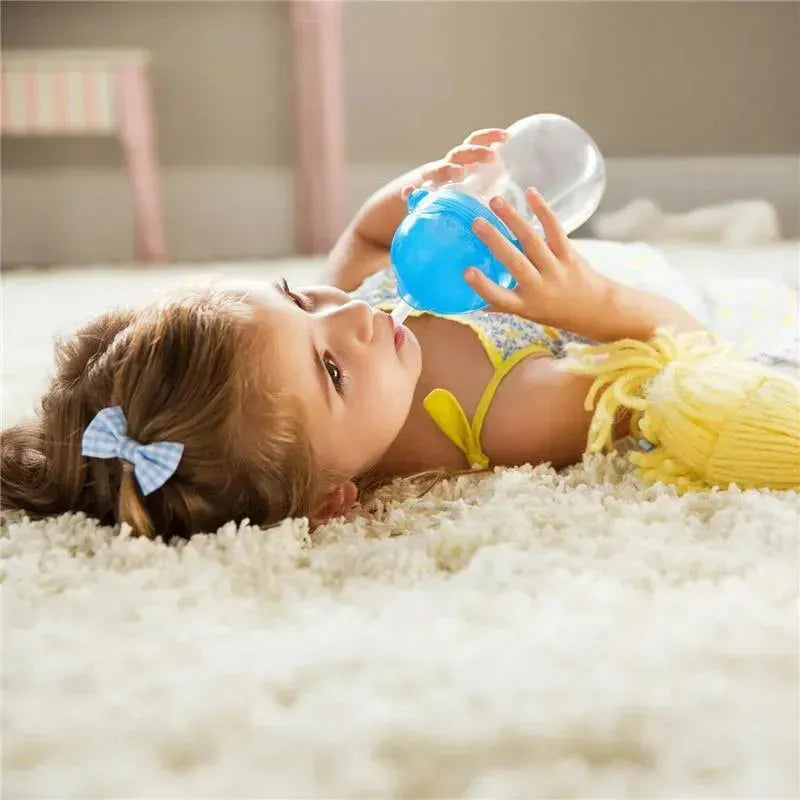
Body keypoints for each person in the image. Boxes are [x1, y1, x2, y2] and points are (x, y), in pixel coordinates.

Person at [0, 128, 703, 538]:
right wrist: (589, 301)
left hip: (530, 260)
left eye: (294, 298)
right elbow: (680, 359)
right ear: (330, 499)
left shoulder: (340, 327)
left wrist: (425, 189)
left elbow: (367, 238)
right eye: (331, 371)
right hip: (619, 289)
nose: (351, 313)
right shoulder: (506, 415)